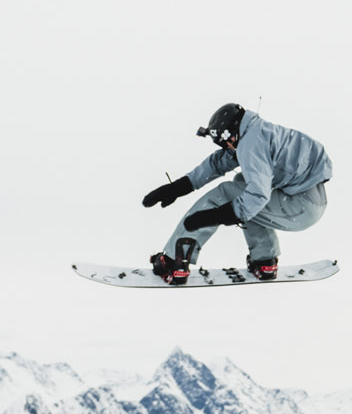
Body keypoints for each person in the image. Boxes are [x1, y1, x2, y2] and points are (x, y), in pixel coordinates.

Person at [141, 103, 332, 283]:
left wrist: (215, 215)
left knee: (228, 193)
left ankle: (175, 262)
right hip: (308, 199)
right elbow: (220, 162)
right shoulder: (254, 132)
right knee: (242, 183)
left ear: (231, 134)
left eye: (225, 143)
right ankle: (264, 260)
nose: (227, 148)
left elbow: (257, 196)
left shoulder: (251, 143)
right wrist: (178, 187)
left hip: (301, 206)